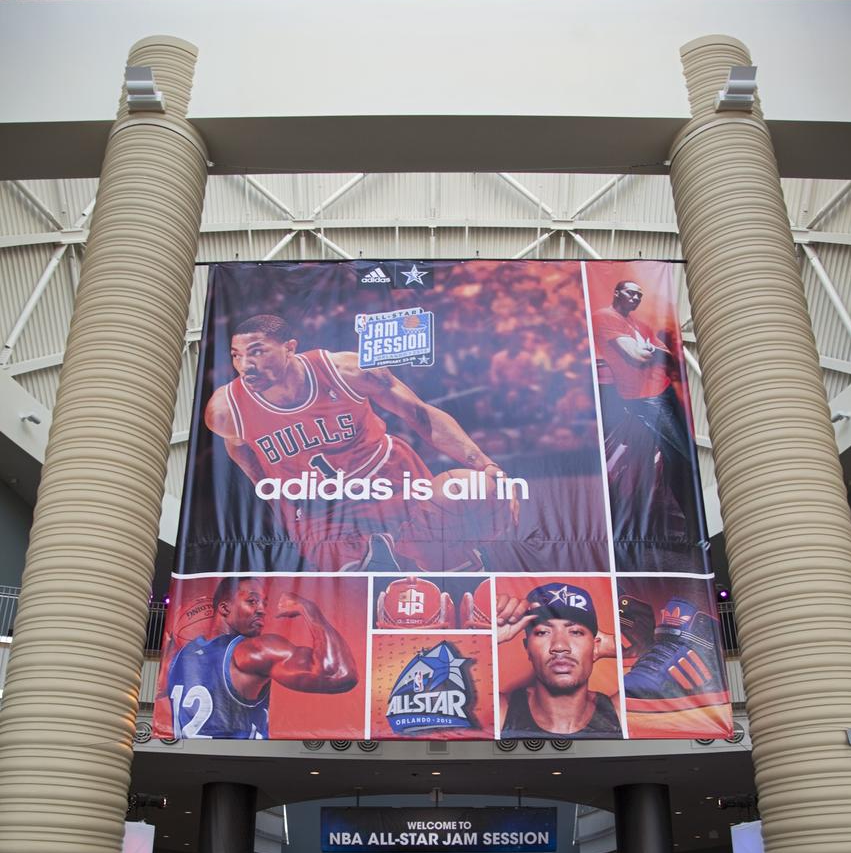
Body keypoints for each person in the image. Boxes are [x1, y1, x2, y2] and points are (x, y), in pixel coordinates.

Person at [204, 314, 513, 572]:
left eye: (257, 352)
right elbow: (238, 446)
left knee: (448, 558)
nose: (246, 365)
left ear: (290, 348)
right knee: (358, 583)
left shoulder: (346, 371)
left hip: (384, 474)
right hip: (318, 503)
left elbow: (419, 414)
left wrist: (484, 463)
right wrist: (273, 492)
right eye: (236, 355)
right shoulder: (225, 410)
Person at [592, 280, 706, 561]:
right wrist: (651, 352)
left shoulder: (638, 325)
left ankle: (692, 532)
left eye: (640, 295)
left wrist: (652, 351)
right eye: (631, 292)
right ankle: (690, 533)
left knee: (677, 460)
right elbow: (637, 355)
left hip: (663, 392)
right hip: (643, 399)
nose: (636, 298)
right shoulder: (606, 317)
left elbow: (666, 357)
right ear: (617, 292)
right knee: (677, 459)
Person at [164, 578, 358, 739]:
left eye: (264, 603)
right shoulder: (250, 650)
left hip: (188, 763)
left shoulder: (178, 656)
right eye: (252, 601)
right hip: (240, 764)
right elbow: (339, 672)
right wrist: (308, 608)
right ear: (224, 608)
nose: (262, 609)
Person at [497, 584, 621, 739]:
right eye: (543, 632)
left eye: (575, 632)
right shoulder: (500, 712)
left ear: (596, 646)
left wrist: (620, 644)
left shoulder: (620, 713)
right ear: (527, 648)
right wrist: (487, 638)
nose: (559, 646)